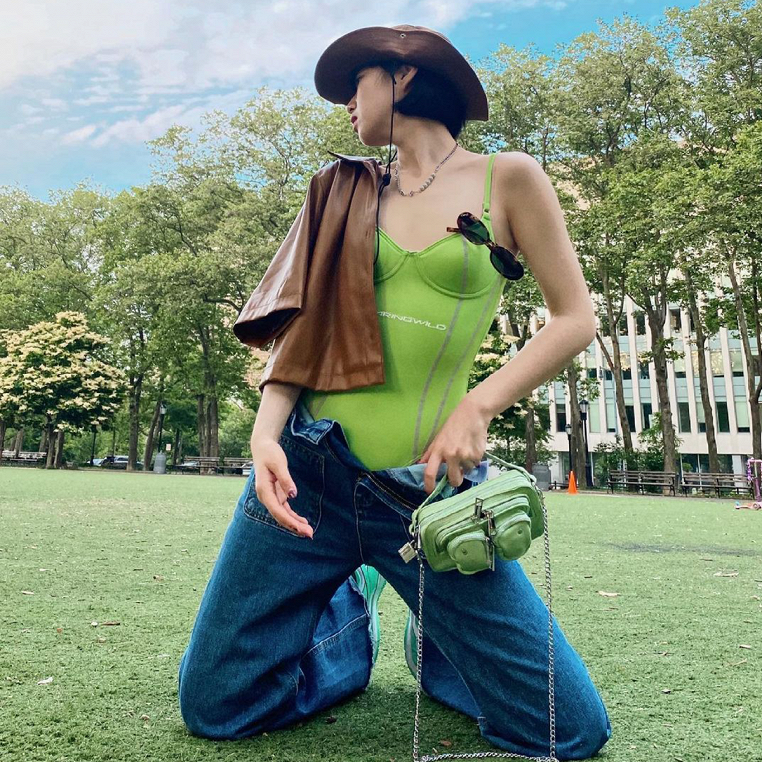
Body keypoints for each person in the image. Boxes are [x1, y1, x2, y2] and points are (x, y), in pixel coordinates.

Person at [178, 24, 612, 760]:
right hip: (309, 471)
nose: (346, 103)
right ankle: (353, 621)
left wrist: (478, 405)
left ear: (403, 76)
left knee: (565, 729)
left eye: (357, 84)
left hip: (424, 493)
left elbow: (576, 318)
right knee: (216, 706)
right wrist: (264, 434)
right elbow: (302, 325)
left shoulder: (508, 178)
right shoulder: (341, 188)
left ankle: (430, 643)